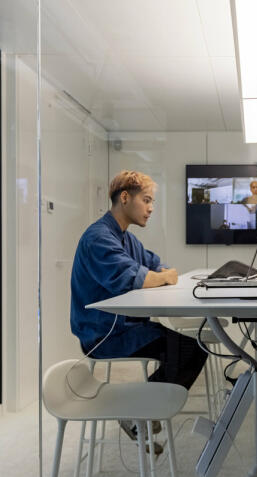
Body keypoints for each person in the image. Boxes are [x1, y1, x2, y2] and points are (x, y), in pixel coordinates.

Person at [70, 170, 208, 451]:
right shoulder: (99, 238)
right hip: (104, 335)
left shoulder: (126, 239)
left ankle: (141, 416)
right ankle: (138, 415)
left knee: (189, 349)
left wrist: (161, 275)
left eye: (152, 201)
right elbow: (140, 278)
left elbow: (158, 266)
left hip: (128, 327)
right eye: (146, 200)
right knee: (189, 351)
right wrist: (160, 276)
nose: (151, 208)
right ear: (124, 198)